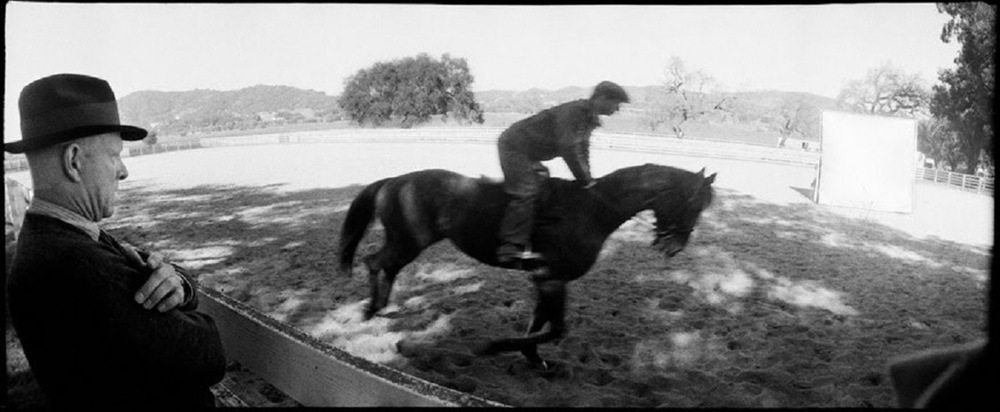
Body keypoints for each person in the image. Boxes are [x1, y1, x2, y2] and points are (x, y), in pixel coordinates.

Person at [4, 73, 226, 408]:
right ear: (74, 161)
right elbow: (208, 356)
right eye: (114, 155)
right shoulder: (76, 263)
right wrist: (193, 309)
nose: (123, 171)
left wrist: (180, 284)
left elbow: (168, 280)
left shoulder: (52, 237)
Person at [495, 81, 630, 267]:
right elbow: (568, 148)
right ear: (602, 98)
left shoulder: (588, 118)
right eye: (616, 103)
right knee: (527, 191)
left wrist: (588, 179)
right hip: (514, 147)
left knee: (544, 183)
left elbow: (582, 150)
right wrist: (585, 180)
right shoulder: (574, 113)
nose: (617, 109)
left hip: (528, 152)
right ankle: (510, 246)